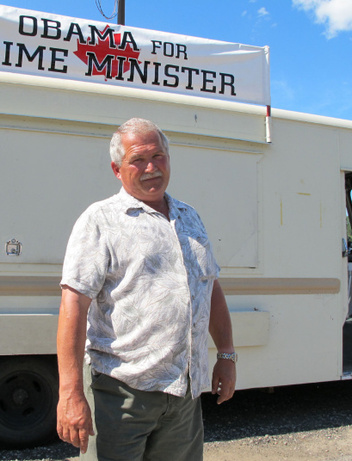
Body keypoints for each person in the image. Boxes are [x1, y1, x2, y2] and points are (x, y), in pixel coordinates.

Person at [57, 118, 236, 460]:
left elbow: (209, 287)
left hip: (184, 395)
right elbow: (73, 306)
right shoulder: (100, 220)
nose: (151, 167)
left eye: (159, 156)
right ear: (117, 169)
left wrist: (226, 354)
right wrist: (70, 392)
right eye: (138, 160)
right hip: (120, 394)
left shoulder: (189, 216)